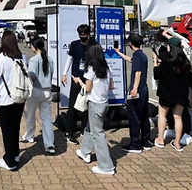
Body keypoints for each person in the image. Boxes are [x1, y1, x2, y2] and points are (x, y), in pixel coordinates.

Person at [0, 31, 26, 171]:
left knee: (7, 130)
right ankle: (15, 154)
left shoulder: (2, 58)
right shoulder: (22, 57)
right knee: (15, 128)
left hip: (6, 99)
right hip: (20, 98)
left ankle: (10, 161)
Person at [76, 42, 115, 175]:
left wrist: (80, 83)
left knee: (98, 134)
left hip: (94, 103)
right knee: (90, 127)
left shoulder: (90, 69)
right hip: (104, 103)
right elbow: (111, 87)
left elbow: (87, 88)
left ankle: (106, 166)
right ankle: (84, 151)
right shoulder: (106, 68)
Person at [153, 44, 192, 151]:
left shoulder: (167, 62)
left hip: (166, 94)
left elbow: (156, 74)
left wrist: (155, 61)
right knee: (178, 117)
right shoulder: (186, 64)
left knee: (162, 115)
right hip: (181, 95)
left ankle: (160, 139)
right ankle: (177, 143)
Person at [115, 33, 152, 153]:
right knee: (144, 116)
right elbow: (131, 60)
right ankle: (145, 141)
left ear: (131, 43)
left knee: (134, 118)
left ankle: (135, 144)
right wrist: (119, 53)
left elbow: (138, 72)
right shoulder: (142, 55)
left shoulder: (137, 55)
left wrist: (134, 88)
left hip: (137, 91)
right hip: (144, 90)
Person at [23, 37, 55, 154]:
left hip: (36, 90)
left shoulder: (34, 60)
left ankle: (29, 135)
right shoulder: (50, 60)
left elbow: (32, 76)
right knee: (47, 118)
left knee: (30, 114)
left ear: (35, 47)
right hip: (47, 91)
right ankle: (49, 144)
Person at [61, 24, 91, 145]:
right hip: (76, 79)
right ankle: (69, 133)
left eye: (84, 34)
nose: (82, 36)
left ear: (88, 33)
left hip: (89, 81)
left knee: (87, 107)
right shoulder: (74, 44)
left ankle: (84, 130)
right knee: (72, 107)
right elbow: (70, 59)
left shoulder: (93, 45)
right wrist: (64, 73)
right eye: (80, 34)